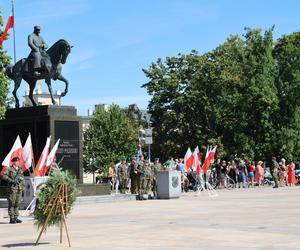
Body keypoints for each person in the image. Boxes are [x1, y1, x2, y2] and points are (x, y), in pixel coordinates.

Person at [1, 157, 24, 224]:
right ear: (13, 162)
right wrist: (11, 181)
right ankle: (12, 218)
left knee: (17, 203)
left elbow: (22, 179)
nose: (17, 162)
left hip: (19, 189)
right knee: (12, 203)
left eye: (18, 161)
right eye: (16, 161)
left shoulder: (20, 169)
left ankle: (16, 217)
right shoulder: (9, 169)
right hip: (12, 189)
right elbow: (3, 176)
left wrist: (23, 188)